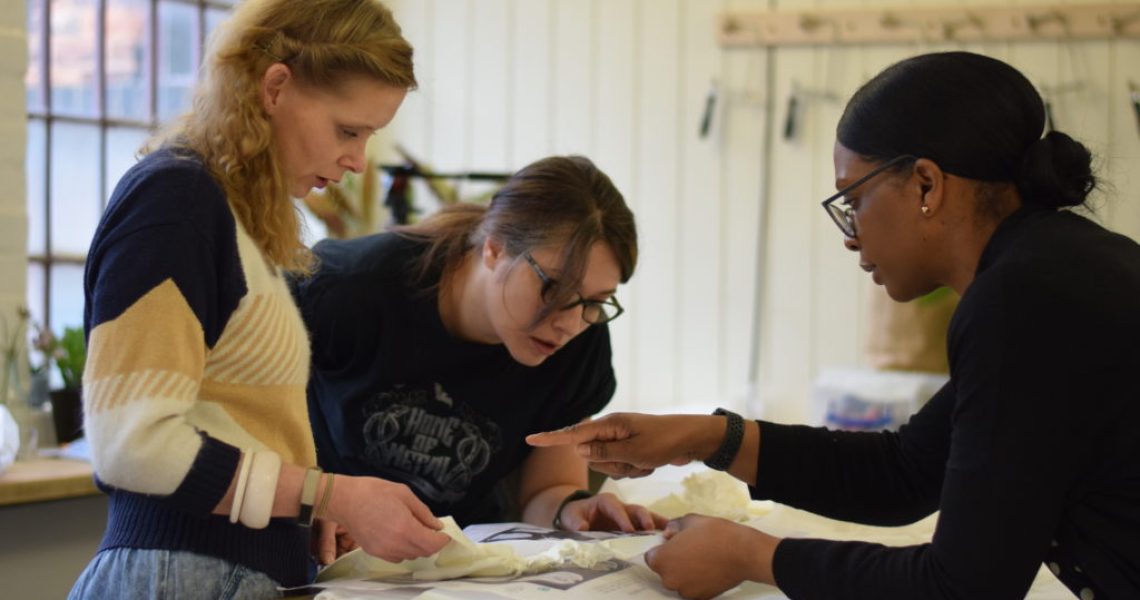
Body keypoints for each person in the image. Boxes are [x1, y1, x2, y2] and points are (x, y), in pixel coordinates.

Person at [528, 51, 1140, 600]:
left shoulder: (1023, 296)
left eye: (854, 200)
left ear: (926, 183)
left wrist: (755, 555)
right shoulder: (1062, 268)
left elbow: (962, 587)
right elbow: (904, 474)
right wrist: (703, 437)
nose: (851, 236)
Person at [70, 1, 454, 597]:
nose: (356, 160)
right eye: (347, 131)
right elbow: (133, 445)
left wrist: (305, 505)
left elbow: (230, 424)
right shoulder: (177, 200)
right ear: (275, 87)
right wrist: (328, 492)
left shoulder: (232, 218)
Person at [290, 155, 666, 534]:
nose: (569, 323)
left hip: (457, 562)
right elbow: (247, 430)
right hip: (324, 544)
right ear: (495, 248)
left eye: (595, 301)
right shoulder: (348, 288)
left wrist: (572, 510)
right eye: (553, 288)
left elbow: (547, 490)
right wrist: (316, 501)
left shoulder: (582, 343)